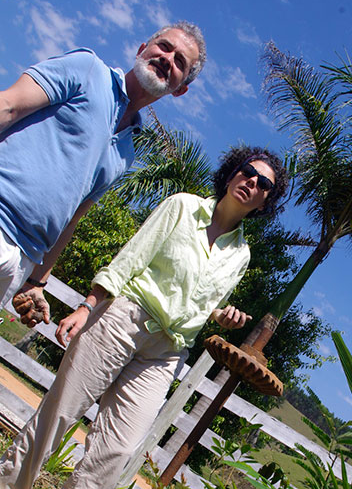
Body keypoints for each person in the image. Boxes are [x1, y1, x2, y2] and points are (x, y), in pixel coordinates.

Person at [0, 145, 289, 489]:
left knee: (118, 449)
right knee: (60, 413)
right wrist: (87, 307)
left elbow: (200, 296)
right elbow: (132, 258)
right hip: (123, 319)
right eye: (248, 172)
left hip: (167, 351)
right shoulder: (182, 207)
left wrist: (221, 313)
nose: (252, 181)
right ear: (233, 173)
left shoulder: (241, 255)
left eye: (263, 183)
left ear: (266, 201)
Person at [0, 21, 206, 325]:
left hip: (21, 260)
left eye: (179, 62)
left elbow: (73, 217)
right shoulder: (87, 69)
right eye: (164, 46)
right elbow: (8, 106)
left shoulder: (127, 154)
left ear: (180, 89)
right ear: (142, 50)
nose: (167, 58)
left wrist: (37, 281)